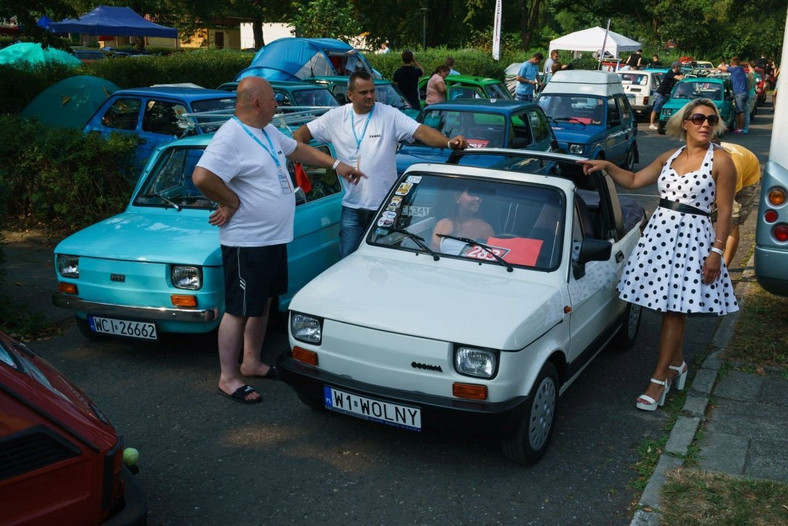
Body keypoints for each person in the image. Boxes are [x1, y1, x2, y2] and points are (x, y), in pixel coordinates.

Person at [193, 77, 366, 404]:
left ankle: (252, 362)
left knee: (265, 301)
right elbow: (202, 177)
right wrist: (230, 201)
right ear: (257, 103)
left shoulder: (267, 131)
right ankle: (228, 377)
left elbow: (297, 149)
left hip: (272, 238)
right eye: (273, 99)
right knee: (239, 309)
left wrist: (336, 164)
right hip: (248, 241)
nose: (278, 104)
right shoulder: (230, 136)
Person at [580, 98, 738, 412]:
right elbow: (636, 181)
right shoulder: (671, 156)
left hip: (693, 240)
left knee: (674, 310)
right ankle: (677, 363)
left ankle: (658, 379)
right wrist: (608, 167)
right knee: (666, 307)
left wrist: (717, 252)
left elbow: (724, 212)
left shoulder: (721, 161)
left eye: (711, 118)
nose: (705, 124)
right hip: (661, 237)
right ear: (685, 123)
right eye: (698, 118)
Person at [293, 71, 468, 257]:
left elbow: (421, 131)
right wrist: (313, 160)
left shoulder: (388, 114)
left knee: (384, 261)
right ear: (350, 95)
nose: (370, 96)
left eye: (372, 91)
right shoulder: (335, 117)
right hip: (352, 207)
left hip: (385, 208)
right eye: (363, 93)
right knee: (348, 260)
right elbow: (299, 136)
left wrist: (448, 143)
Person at [711, 140, 761, 265]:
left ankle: (724, 268)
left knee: (731, 221)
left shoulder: (732, 166)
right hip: (724, 174)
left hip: (747, 178)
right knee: (705, 217)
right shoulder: (700, 156)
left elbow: (726, 202)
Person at [431, 185, 494, 252]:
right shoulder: (443, 224)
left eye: (480, 195)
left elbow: (490, 256)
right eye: (472, 193)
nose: (478, 199)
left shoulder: (485, 229)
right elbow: (431, 252)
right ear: (458, 197)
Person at [649, 61, 685, 129]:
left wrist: (681, 76)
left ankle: (665, 124)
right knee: (656, 109)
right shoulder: (670, 72)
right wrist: (680, 77)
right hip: (661, 94)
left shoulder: (677, 73)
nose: (680, 68)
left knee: (665, 110)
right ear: (675, 67)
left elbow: (682, 76)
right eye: (679, 67)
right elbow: (680, 78)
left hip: (667, 94)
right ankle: (651, 124)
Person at [719, 57, 749, 134]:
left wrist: (720, 66)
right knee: (739, 111)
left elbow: (721, 67)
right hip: (743, 93)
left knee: (740, 111)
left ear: (732, 64)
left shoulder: (735, 69)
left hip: (739, 93)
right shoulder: (740, 69)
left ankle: (740, 129)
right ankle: (738, 128)